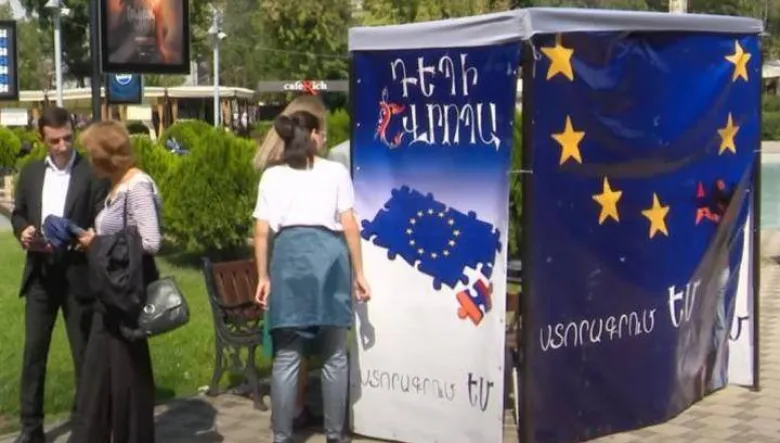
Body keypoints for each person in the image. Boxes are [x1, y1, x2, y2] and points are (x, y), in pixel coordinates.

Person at [253, 110, 370, 443]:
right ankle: (335, 435)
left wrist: (263, 276)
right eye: (322, 133)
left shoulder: (272, 177)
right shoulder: (335, 172)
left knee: (288, 355)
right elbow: (349, 225)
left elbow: (261, 232)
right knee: (335, 354)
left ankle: (281, 435)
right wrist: (359, 273)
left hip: (288, 261)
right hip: (330, 259)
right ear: (314, 135)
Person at [10, 107, 108, 443]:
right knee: (34, 354)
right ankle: (31, 427)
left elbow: (102, 220)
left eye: (67, 138)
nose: (63, 146)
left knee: (84, 354)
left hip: (78, 274)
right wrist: (23, 230)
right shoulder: (31, 172)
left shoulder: (91, 173)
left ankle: (87, 426)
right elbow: (19, 213)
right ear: (42, 139)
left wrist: (85, 238)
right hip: (41, 273)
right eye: (55, 141)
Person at [68, 121, 162, 443]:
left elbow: (151, 241)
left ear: (107, 156)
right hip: (109, 297)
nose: (89, 161)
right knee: (98, 379)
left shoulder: (137, 186)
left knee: (126, 381)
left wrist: (98, 243)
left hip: (125, 297)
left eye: (92, 154)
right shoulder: (116, 185)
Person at [254, 94, 328, 427]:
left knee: (288, 345)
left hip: (278, 262)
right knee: (294, 346)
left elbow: (263, 230)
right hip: (293, 264)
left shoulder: (274, 168)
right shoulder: (296, 170)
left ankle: (290, 410)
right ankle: (291, 411)